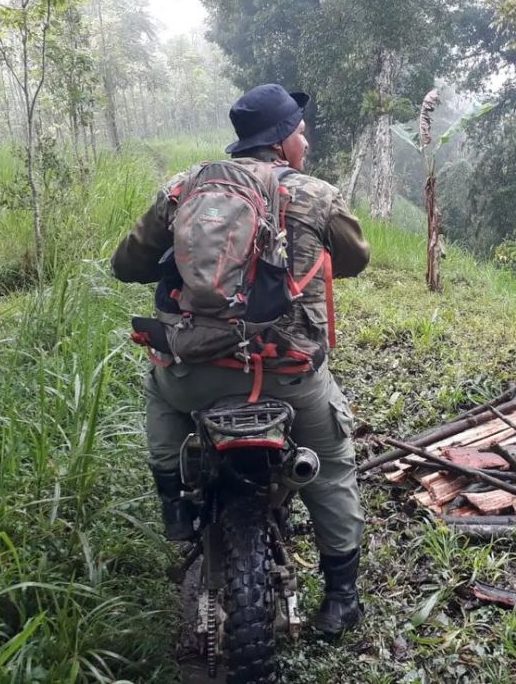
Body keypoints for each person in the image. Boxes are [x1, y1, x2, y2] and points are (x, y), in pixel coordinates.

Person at [111, 84, 371, 638]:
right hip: (287, 370)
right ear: (282, 140)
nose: (305, 139)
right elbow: (355, 259)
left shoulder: (184, 188)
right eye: (301, 131)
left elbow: (126, 265)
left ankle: (174, 504)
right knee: (332, 464)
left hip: (196, 371)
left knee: (160, 392)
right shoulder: (316, 194)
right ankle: (341, 598)